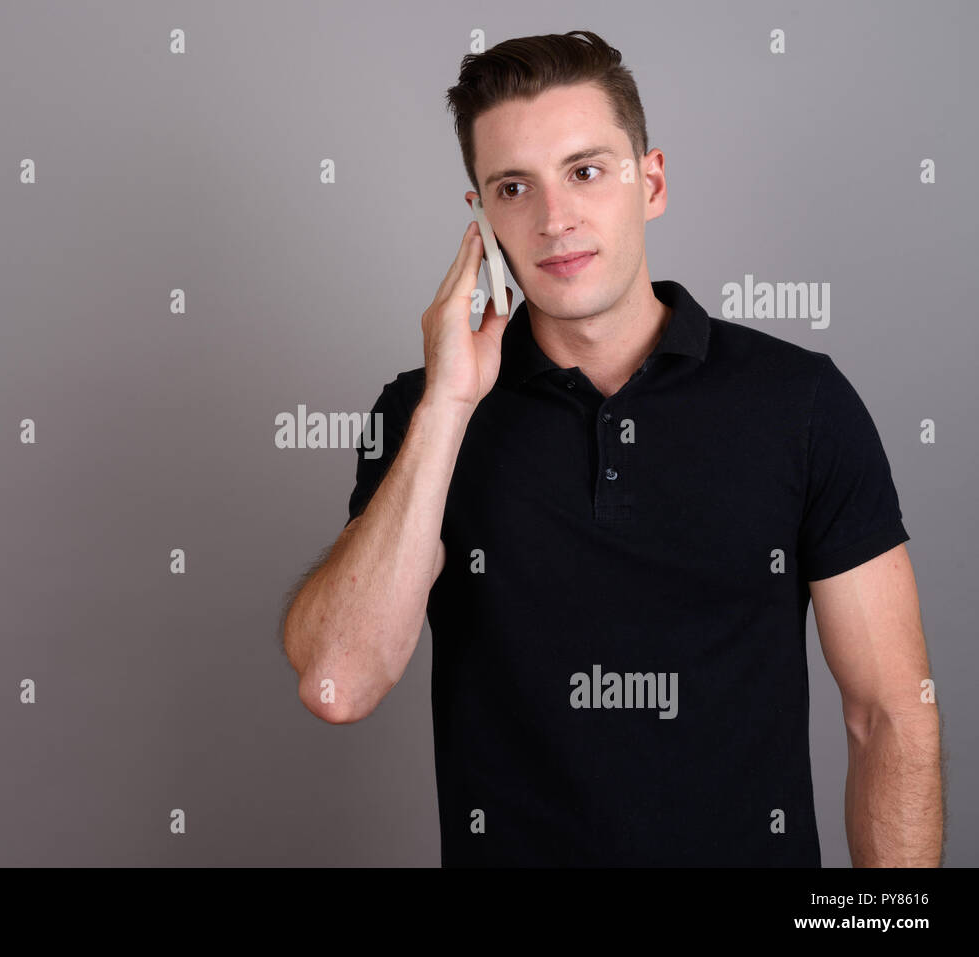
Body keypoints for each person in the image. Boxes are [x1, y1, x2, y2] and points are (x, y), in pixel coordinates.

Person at [281, 30, 942, 867]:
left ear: (650, 181)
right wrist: (449, 404)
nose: (554, 219)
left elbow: (889, 712)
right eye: (513, 187)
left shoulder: (800, 402)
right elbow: (338, 681)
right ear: (481, 219)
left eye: (586, 171)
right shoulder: (419, 412)